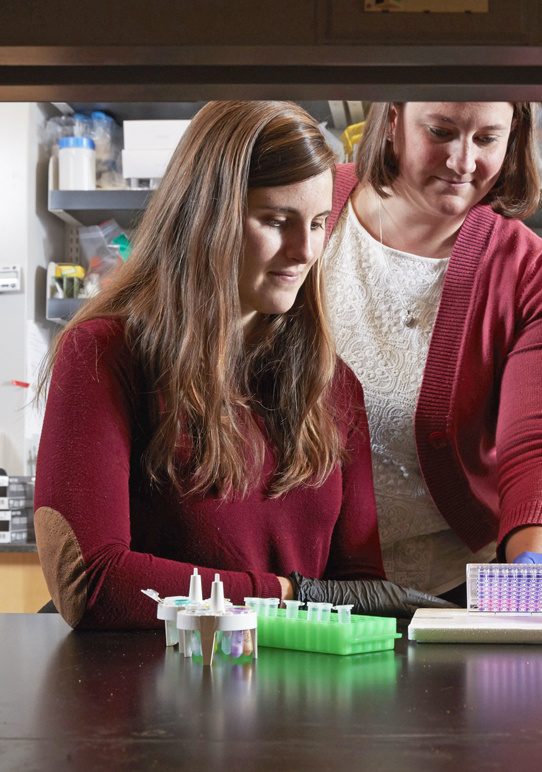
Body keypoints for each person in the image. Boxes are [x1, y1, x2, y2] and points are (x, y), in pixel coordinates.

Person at [34, 101, 448, 630]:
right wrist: (290, 595)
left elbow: (358, 595)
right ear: (206, 217)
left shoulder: (333, 386)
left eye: (320, 223)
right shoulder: (104, 355)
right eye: (276, 221)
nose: (304, 250)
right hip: (151, 704)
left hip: (298, 705)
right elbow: (92, 583)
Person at [323, 102, 542, 600]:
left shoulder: (534, 275)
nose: (463, 161)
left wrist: (538, 568)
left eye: (487, 139)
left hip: (449, 588)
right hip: (300, 585)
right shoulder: (307, 207)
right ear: (395, 119)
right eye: (441, 132)